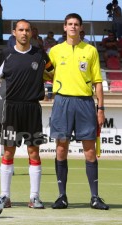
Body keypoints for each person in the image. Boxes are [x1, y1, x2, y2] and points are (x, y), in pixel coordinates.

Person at [48, 13, 109, 210]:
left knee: (90, 151)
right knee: (61, 149)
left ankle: (95, 197)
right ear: (64, 27)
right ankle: (62, 196)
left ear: (81, 28)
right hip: (62, 101)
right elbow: (44, 74)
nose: (73, 27)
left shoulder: (91, 51)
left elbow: (98, 82)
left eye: (76, 24)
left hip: (84, 103)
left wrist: (100, 108)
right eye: (70, 24)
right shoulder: (55, 51)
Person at [0, 19, 54, 209]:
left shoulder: (40, 54)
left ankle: (34, 197)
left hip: (32, 108)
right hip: (11, 108)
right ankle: (5, 196)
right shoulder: (6, 54)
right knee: (9, 151)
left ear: (31, 33)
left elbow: (52, 73)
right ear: (14, 33)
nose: (24, 33)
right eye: (21, 30)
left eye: (27, 30)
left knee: (33, 152)